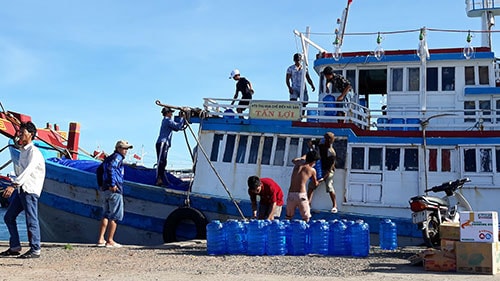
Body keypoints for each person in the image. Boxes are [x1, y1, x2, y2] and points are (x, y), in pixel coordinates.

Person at [1, 121, 45, 259]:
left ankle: (35, 249)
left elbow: (27, 172)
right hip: (22, 190)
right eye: (19, 132)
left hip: (30, 190)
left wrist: (13, 185)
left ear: (31, 135)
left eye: (23, 132)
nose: (20, 134)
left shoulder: (33, 152)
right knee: (9, 217)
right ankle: (15, 246)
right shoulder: (23, 151)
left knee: (31, 219)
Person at [96, 140, 133, 248]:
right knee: (115, 215)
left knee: (106, 214)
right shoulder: (118, 157)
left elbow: (99, 170)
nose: (125, 151)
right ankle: (110, 240)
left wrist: (101, 184)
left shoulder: (108, 158)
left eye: (126, 149)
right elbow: (111, 168)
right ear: (118, 148)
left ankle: (100, 239)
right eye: (124, 148)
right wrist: (113, 184)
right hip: (114, 190)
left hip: (105, 189)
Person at [285, 150, 321, 222]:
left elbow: (294, 160)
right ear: (313, 161)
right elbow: (315, 184)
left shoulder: (297, 164)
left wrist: (304, 156)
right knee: (306, 218)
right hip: (301, 195)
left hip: (291, 194)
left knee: (288, 217)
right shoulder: (312, 170)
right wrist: (319, 181)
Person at [307, 132, 338, 213]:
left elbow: (328, 170)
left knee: (329, 185)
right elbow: (310, 142)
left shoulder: (331, 153)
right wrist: (311, 148)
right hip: (319, 167)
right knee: (312, 185)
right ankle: (307, 203)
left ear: (330, 140)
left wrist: (321, 179)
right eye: (324, 138)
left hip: (328, 169)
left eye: (326, 138)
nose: (324, 140)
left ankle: (334, 205)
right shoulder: (321, 142)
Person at [155, 107, 186, 186]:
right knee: (161, 162)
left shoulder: (167, 121)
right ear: (167, 113)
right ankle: (159, 179)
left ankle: (160, 179)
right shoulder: (167, 120)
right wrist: (182, 118)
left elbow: (177, 128)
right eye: (170, 113)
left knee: (163, 161)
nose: (172, 114)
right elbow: (178, 127)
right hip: (163, 142)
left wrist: (181, 119)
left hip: (165, 143)